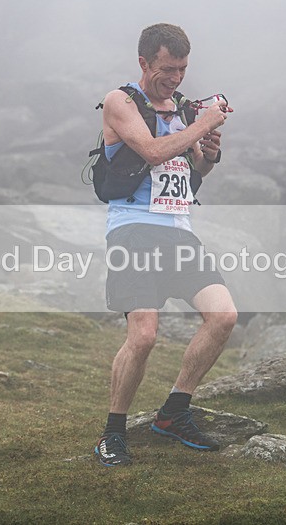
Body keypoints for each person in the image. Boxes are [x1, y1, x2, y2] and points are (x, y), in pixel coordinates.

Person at [94, 23, 238, 467]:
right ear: (144, 63)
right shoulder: (122, 101)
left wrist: (208, 152)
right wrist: (206, 123)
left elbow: (192, 174)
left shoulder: (179, 107)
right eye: (167, 69)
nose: (175, 79)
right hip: (133, 230)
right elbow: (154, 153)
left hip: (179, 229)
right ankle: (113, 433)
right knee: (144, 336)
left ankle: (174, 412)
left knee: (224, 316)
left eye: (182, 70)